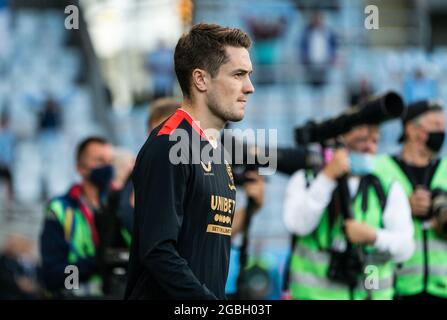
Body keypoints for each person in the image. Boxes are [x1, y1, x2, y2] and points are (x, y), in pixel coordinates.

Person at [125, 23, 255, 300]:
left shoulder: (215, 149)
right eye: (238, 75)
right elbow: (158, 251)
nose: (249, 87)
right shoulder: (168, 145)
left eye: (248, 75)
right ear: (201, 80)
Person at [283, 122, 414, 300]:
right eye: (361, 140)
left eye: (374, 141)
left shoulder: (387, 186)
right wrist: (327, 177)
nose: (369, 147)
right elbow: (298, 224)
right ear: (340, 143)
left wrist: (373, 237)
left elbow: (406, 247)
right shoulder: (305, 179)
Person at [374, 100, 447, 300]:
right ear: (412, 129)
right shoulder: (380, 169)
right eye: (436, 126)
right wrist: (401, 208)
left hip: (441, 288)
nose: (442, 132)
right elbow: (367, 220)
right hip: (395, 287)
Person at [39, 137, 115, 298]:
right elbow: (52, 275)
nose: (107, 167)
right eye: (100, 160)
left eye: (110, 161)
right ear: (80, 168)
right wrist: (95, 263)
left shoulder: (117, 206)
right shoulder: (59, 209)